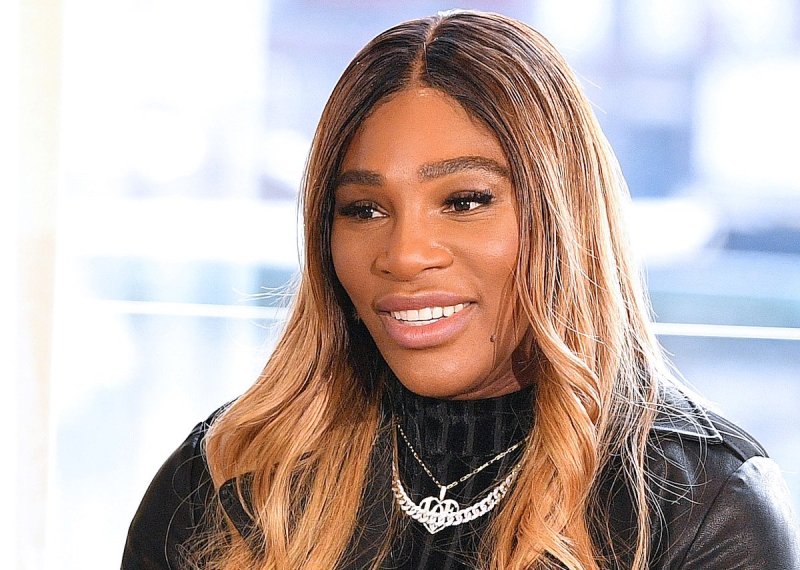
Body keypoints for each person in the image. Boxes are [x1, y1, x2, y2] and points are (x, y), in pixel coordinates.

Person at [122, 9, 800, 570]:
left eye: (466, 200)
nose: (405, 254)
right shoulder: (228, 472)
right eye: (363, 209)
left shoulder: (705, 503)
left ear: (564, 215)